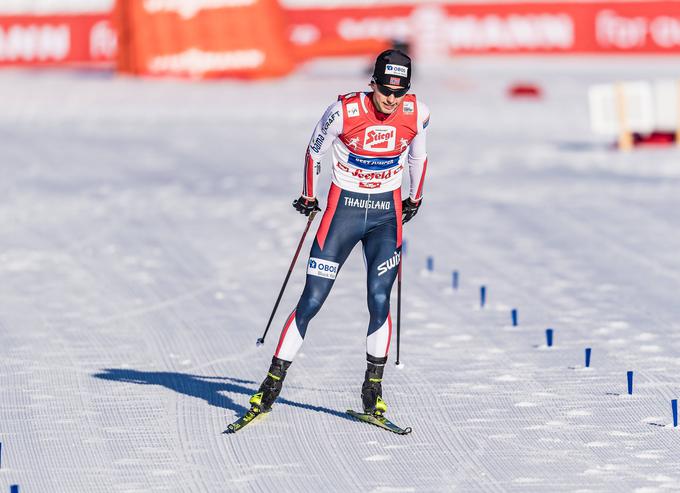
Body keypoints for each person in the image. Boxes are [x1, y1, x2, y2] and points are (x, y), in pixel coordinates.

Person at [249, 49, 429, 418]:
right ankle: (272, 382)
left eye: (399, 92)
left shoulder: (417, 113)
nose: (391, 100)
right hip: (342, 213)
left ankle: (372, 390)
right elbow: (314, 152)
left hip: (385, 216)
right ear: (373, 83)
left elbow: (418, 157)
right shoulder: (344, 111)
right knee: (313, 299)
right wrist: (308, 194)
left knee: (379, 299)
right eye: (385, 90)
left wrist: (416, 197)